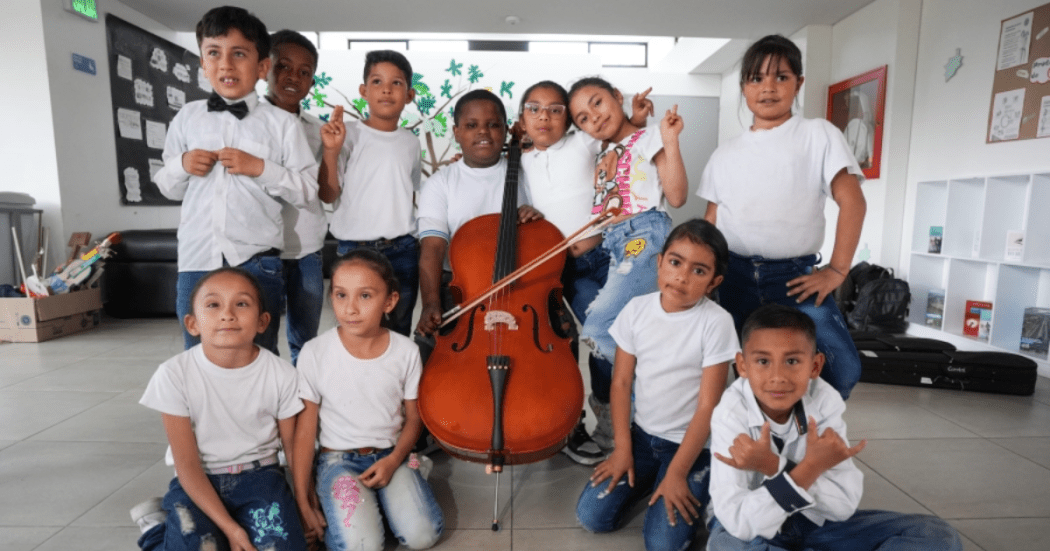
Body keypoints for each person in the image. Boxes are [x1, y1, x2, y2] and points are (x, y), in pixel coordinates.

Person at [708, 304, 963, 550]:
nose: (778, 376)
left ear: (815, 366)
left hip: (814, 523)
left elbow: (842, 506)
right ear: (742, 365)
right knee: (727, 545)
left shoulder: (824, 400)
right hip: (756, 529)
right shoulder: (730, 415)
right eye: (763, 362)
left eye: (793, 361)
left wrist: (773, 467)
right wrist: (809, 470)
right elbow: (739, 521)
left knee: (936, 535)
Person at [697, 34, 867, 400]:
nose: (768, 88)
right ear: (743, 87)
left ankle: (804, 435)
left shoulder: (818, 134)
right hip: (735, 277)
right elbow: (710, 221)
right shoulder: (724, 154)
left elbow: (853, 202)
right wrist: (704, 276)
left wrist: (837, 270)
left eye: (781, 77)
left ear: (799, 83)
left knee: (842, 366)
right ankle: (766, 444)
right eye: (756, 79)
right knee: (751, 373)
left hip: (795, 279)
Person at [154, 6, 318, 356]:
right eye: (214, 53)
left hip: (257, 260)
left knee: (259, 355)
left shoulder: (282, 124)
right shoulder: (187, 118)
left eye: (239, 53)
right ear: (202, 62)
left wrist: (261, 168)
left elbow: (308, 192)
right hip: (197, 258)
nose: (225, 64)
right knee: (197, 354)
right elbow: (166, 185)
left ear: (262, 67)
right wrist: (182, 164)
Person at [575, 219, 738, 551]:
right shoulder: (636, 310)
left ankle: (690, 480)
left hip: (692, 448)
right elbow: (620, 383)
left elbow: (709, 406)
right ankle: (650, 474)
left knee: (663, 545)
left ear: (713, 282)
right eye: (676, 262)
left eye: (699, 271)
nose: (682, 276)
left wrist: (677, 473)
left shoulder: (717, 322)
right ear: (660, 261)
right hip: (642, 437)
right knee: (592, 517)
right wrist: (622, 449)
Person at [517, 80, 653, 465]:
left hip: (606, 253)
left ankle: (616, 415)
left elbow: (618, 136)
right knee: (598, 334)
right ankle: (609, 412)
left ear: (569, 120)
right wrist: (524, 211)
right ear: (522, 120)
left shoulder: (583, 142)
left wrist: (636, 118)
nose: (545, 116)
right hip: (566, 267)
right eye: (534, 108)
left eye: (556, 109)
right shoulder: (521, 161)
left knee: (610, 331)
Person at [130, 267, 307, 551]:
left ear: (263, 321)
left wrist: (303, 504)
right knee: (199, 546)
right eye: (213, 304)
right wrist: (232, 530)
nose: (227, 314)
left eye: (242, 303)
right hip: (199, 480)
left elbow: (293, 449)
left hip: (261, 478)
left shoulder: (282, 374)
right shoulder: (174, 374)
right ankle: (155, 528)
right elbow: (186, 466)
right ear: (192, 324)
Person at [566, 76, 688, 455]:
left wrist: (668, 139)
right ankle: (644, 400)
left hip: (644, 233)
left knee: (599, 321)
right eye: (583, 118)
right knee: (618, 328)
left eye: (598, 103)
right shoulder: (604, 151)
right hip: (613, 243)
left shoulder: (650, 137)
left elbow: (678, 196)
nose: (594, 118)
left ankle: (647, 394)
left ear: (618, 97)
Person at [292, 250, 443, 551]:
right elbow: (306, 431)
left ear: (389, 302)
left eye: (365, 296)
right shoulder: (315, 352)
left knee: (422, 536)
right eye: (340, 295)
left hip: (392, 455)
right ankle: (369, 506)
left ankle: (408, 474)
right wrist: (303, 498)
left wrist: (394, 460)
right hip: (339, 461)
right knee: (363, 546)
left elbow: (414, 418)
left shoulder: (405, 352)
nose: (350, 308)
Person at [414, 89, 543, 344]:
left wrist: (536, 219)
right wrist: (430, 303)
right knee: (432, 345)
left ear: (506, 130)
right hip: (460, 287)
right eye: (471, 125)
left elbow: (544, 234)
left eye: (493, 125)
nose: (483, 132)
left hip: (519, 285)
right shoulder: (441, 183)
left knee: (563, 335)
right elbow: (432, 250)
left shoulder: (527, 174)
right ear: (457, 132)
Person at [318, 50, 422, 337]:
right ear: (364, 91)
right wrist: (331, 150)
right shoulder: (346, 133)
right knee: (354, 329)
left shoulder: (411, 143)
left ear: (410, 95)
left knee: (399, 328)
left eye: (396, 83)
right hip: (354, 249)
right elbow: (327, 194)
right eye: (377, 81)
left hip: (402, 250)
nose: (386, 89)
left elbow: (409, 192)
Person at [264, 29, 337, 365]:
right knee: (259, 338)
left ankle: (303, 407)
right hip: (258, 248)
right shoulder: (247, 123)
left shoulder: (316, 129)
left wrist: (332, 152)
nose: (294, 77)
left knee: (305, 339)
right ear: (266, 67)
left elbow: (327, 192)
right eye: (284, 66)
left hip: (306, 247)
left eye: (305, 72)